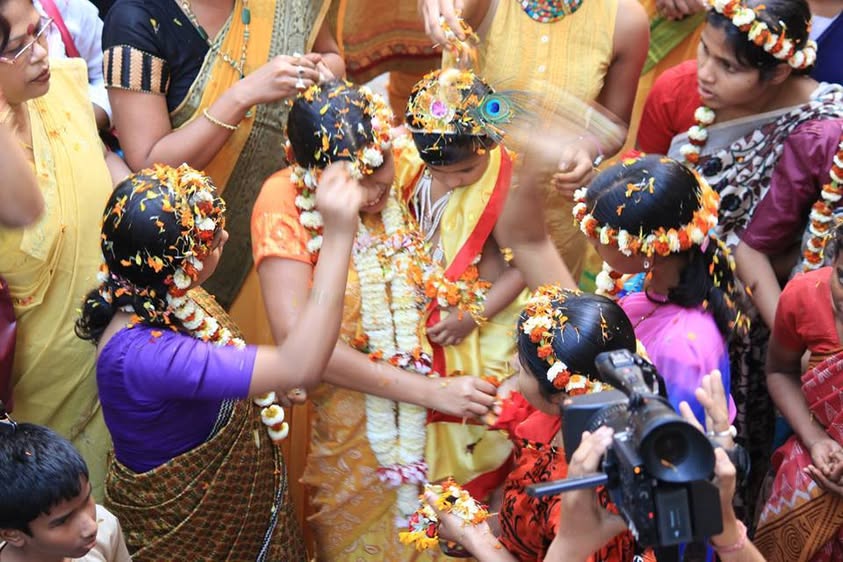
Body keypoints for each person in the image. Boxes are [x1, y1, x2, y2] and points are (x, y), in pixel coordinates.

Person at [251, 80, 500, 559]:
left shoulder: (409, 161)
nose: (368, 194)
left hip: (447, 410)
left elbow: (486, 225)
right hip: (353, 430)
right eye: (351, 180)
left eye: (375, 170)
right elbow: (302, 349)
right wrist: (430, 392)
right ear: (308, 170)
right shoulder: (283, 202)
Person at [75, 162, 363, 559]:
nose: (225, 236)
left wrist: (264, 385)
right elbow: (301, 364)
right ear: (182, 270)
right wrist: (339, 235)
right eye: (211, 242)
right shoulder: (148, 355)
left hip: (231, 501)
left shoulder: (151, 294)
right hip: (195, 530)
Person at [101, 0, 343, 317]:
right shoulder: (135, 20)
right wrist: (242, 96)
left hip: (288, 224)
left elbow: (332, 58)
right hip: (195, 252)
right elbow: (149, 165)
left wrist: (315, 72)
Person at [412, 287, 652, 561]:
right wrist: (486, 526)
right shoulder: (557, 421)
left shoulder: (585, 495)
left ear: (562, 396)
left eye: (524, 367)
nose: (513, 362)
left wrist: (474, 538)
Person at [419, 0, 648, 283]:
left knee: (546, 308)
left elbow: (614, 124)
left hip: (551, 220)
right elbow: (447, 10)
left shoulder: (624, 20)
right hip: (463, 202)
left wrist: (588, 149)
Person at [0, 0, 129, 500]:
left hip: (120, 351)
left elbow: (98, 160)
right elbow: (29, 207)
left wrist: (146, 207)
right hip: (38, 397)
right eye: (21, 46)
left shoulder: (62, 87)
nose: (42, 52)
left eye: (41, 31)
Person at [402, 67, 531, 501]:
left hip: (486, 326)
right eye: (440, 171)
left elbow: (525, 268)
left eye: (466, 170)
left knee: (479, 434)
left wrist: (472, 317)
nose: (454, 181)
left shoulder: (505, 187)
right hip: (431, 319)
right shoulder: (411, 168)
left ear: (489, 142)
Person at [572, 155, 744, 425]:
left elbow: (673, 438)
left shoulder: (682, 348)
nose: (591, 238)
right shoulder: (647, 277)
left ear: (647, 252)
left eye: (601, 235)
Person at [755, 223, 843, 561]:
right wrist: (816, 439)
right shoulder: (806, 296)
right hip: (815, 461)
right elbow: (780, 370)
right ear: (833, 261)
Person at [0, 409, 131, 562]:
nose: (91, 527)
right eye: (63, 521)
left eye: (87, 500)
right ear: (12, 535)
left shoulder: (106, 528)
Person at [33, 0, 110, 130]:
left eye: (38, 32)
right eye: (15, 47)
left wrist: (81, 124)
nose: (41, 53)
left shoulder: (65, 8)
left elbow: (110, 74)